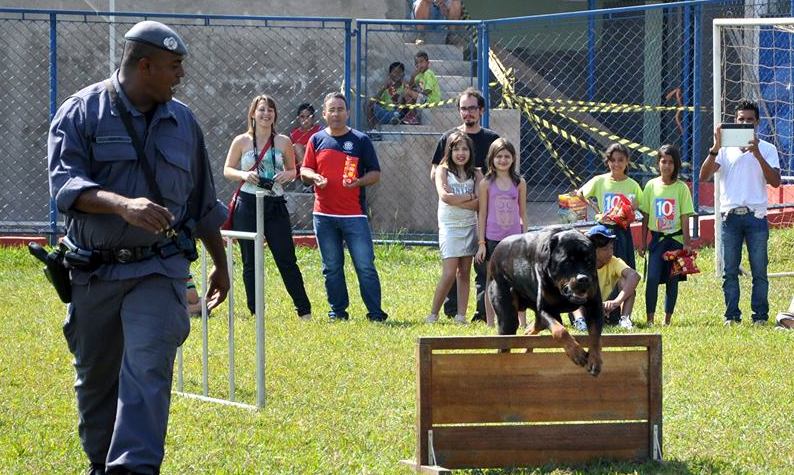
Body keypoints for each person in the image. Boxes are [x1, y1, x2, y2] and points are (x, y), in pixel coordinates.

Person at [47, 21, 229, 474]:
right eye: (173, 67)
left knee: (147, 371)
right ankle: (100, 464)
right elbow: (64, 185)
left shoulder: (184, 123)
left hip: (158, 269)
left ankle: (132, 470)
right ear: (144, 66)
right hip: (95, 273)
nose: (180, 76)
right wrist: (121, 205)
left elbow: (202, 202)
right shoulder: (81, 112)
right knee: (96, 385)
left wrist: (222, 265)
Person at [300, 92, 389, 322]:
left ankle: (376, 313)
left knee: (365, 265)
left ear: (348, 112)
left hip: (354, 215)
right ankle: (337, 312)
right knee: (331, 267)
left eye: (340, 109)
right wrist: (314, 177)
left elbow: (375, 174)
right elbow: (304, 170)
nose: (336, 114)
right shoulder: (316, 140)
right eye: (332, 110)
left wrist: (358, 182)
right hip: (323, 215)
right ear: (324, 113)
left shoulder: (360, 140)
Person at [223, 94, 312, 320]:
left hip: (274, 203)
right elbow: (227, 170)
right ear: (253, 113)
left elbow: (294, 170)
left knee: (286, 258)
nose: (266, 114)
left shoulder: (283, 141)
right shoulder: (241, 141)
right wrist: (244, 174)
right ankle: (256, 312)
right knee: (249, 261)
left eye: (270, 110)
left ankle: (304, 311)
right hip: (248, 203)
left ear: (275, 115)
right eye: (261, 110)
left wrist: (287, 174)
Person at [699, 100, 781, 326]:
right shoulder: (724, 149)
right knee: (730, 271)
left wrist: (756, 154)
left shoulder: (767, 148)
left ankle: (760, 317)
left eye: (749, 120)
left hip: (756, 216)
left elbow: (775, 182)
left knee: (759, 271)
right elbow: (703, 176)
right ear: (735, 121)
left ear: (757, 123)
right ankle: (731, 316)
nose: (745, 123)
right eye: (741, 119)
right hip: (730, 217)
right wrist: (715, 146)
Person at [431, 87, 500, 322]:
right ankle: (451, 313)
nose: (467, 113)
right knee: (452, 267)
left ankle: (481, 313)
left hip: (483, 214)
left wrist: (477, 200)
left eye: (472, 108)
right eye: (463, 108)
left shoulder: (492, 140)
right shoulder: (448, 138)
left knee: (480, 267)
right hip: (454, 215)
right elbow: (436, 173)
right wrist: (461, 194)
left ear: (481, 110)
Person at [576, 143, 642, 324]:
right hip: (603, 231)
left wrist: (628, 213)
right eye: (613, 160)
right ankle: (594, 307)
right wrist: (596, 208)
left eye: (621, 160)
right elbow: (580, 193)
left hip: (622, 232)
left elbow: (638, 206)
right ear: (607, 162)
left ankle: (622, 314)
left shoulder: (633, 185)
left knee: (623, 272)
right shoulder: (600, 180)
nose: (616, 164)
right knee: (600, 269)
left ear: (627, 162)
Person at [426, 132, 481, 324]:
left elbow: (480, 204)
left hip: (469, 226)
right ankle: (433, 314)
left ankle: (461, 316)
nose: (460, 153)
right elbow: (445, 197)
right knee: (449, 273)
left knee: (464, 272)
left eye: (464, 149)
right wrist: (469, 197)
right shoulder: (443, 170)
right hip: (450, 227)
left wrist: (460, 200)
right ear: (449, 151)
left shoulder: (476, 173)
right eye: (456, 149)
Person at [638, 144, 695, 326]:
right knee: (652, 278)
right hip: (657, 241)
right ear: (658, 163)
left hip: (676, 240)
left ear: (676, 165)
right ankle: (650, 318)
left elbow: (685, 216)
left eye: (671, 162)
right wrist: (642, 241)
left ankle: (667, 319)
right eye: (663, 161)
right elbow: (645, 216)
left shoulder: (681, 188)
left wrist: (687, 242)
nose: (667, 166)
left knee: (673, 280)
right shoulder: (651, 186)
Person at [474, 138, 527, 327]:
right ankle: (490, 322)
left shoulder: (519, 182)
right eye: (499, 156)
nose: (503, 160)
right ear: (492, 159)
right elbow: (482, 214)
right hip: (492, 238)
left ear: (513, 158)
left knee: (518, 279)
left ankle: (522, 321)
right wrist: (481, 243)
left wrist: (525, 237)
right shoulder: (486, 183)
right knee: (491, 279)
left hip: (514, 239)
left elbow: (522, 213)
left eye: (507, 156)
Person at [573, 225, 641, 331]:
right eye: (605, 249)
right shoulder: (582, 264)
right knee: (574, 285)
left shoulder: (613, 261)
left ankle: (625, 319)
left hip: (610, 309)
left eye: (611, 248)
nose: (610, 252)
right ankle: (580, 321)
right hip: (586, 309)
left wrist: (616, 302)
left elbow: (634, 276)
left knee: (626, 282)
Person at [402, 50, 442, 125]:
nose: (419, 65)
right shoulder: (419, 75)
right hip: (423, 98)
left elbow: (428, 91)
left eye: (421, 62)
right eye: (417, 63)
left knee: (407, 92)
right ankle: (413, 116)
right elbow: (410, 86)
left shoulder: (428, 73)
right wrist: (413, 76)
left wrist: (416, 93)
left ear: (427, 63)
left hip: (431, 99)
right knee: (407, 91)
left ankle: (413, 115)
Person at [371, 61, 408, 126]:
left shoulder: (405, 87)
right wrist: (383, 88)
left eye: (400, 72)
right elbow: (374, 101)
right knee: (368, 104)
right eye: (395, 72)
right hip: (384, 113)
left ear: (403, 74)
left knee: (402, 97)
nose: (397, 74)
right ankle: (374, 130)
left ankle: (395, 118)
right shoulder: (386, 87)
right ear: (390, 74)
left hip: (398, 114)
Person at [289, 102, 322, 168]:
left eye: (308, 116)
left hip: (315, 159)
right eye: (302, 117)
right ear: (298, 118)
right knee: (297, 146)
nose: (305, 119)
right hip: (301, 164)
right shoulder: (294, 133)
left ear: (313, 118)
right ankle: (305, 171)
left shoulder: (319, 130)